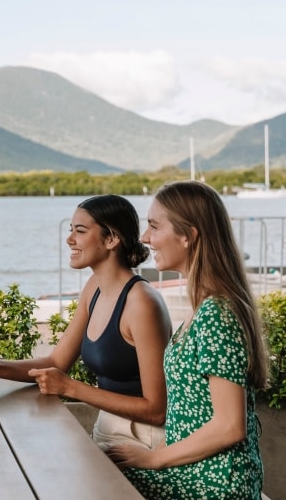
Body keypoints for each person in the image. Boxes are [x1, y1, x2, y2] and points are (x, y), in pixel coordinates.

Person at [0, 194, 172, 450]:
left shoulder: (142, 302)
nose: (69, 239)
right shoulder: (94, 288)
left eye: (80, 231)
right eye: (71, 229)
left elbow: (156, 410)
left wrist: (71, 388)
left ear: (111, 239)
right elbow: (56, 363)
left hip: (142, 439)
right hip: (106, 428)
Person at [106, 181, 268, 499]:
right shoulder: (206, 307)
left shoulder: (217, 313)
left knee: (91, 478)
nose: (144, 238)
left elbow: (230, 426)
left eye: (154, 226)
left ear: (188, 236)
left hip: (213, 485)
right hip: (194, 473)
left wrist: (153, 459)